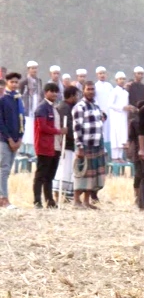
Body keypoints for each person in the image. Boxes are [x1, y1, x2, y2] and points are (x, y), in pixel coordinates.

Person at [72, 81, 106, 209]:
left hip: (97, 143)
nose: (91, 91)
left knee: (92, 174)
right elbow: (77, 128)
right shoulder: (79, 107)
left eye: (93, 89)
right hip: (85, 144)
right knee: (82, 172)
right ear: (83, 91)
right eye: (88, 89)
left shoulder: (95, 105)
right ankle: (76, 201)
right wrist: (79, 146)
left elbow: (100, 119)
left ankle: (86, 201)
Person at [33, 83, 67, 209]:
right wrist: (59, 131)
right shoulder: (42, 108)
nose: (54, 94)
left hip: (55, 146)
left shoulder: (54, 108)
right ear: (45, 92)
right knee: (41, 175)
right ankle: (37, 201)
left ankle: (49, 200)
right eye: (51, 91)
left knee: (50, 176)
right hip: (45, 146)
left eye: (56, 91)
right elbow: (42, 127)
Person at [0, 72, 25, 209]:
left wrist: (20, 138)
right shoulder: (3, 100)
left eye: (16, 82)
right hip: (4, 140)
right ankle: (4, 199)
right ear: (7, 82)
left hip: (16, 139)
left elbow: (22, 120)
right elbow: (1, 122)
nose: (14, 84)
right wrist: (9, 139)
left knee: (8, 169)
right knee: (4, 169)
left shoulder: (18, 99)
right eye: (12, 82)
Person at [52, 86, 79, 202]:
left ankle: (67, 196)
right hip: (65, 144)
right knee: (63, 171)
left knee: (70, 172)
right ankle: (57, 196)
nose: (78, 98)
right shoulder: (64, 108)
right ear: (72, 96)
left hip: (72, 145)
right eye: (77, 95)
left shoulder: (71, 107)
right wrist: (77, 135)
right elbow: (67, 127)